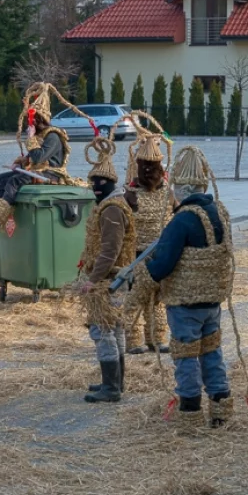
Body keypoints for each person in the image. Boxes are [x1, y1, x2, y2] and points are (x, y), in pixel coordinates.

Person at [129, 146, 234, 429]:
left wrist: (142, 278)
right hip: (212, 301)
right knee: (212, 352)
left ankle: (190, 411)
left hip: (185, 304)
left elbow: (163, 264)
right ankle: (221, 406)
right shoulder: (219, 212)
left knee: (186, 356)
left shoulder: (183, 219)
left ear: (181, 187)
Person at [0, 82, 88, 231]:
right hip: (36, 171)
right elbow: (31, 159)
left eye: (32, 121)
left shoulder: (53, 136)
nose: (29, 125)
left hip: (51, 174)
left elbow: (38, 158)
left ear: (39, 120)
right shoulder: (39, 135)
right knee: (0, 179)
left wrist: (30, 139)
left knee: (15, 180)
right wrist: (20, 164)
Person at [77, 135, 138, 404]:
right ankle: (115, 382)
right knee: (115, 329)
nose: (96, 187)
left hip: (111, 280)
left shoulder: (112, 209)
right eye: (93, 182)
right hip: (116, 277)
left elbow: (110, 250)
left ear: (111, 183)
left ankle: (112, 387)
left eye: (101, 183)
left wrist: (92, 279)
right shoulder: (112, 204)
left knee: (104, 330)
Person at [123, 114, 174, 355]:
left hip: (160, 254)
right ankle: (135, 340)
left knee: (156, 299)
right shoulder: (131, 195)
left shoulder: (167, 193)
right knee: (137, 299)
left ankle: (157, 338)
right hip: (139, 255)